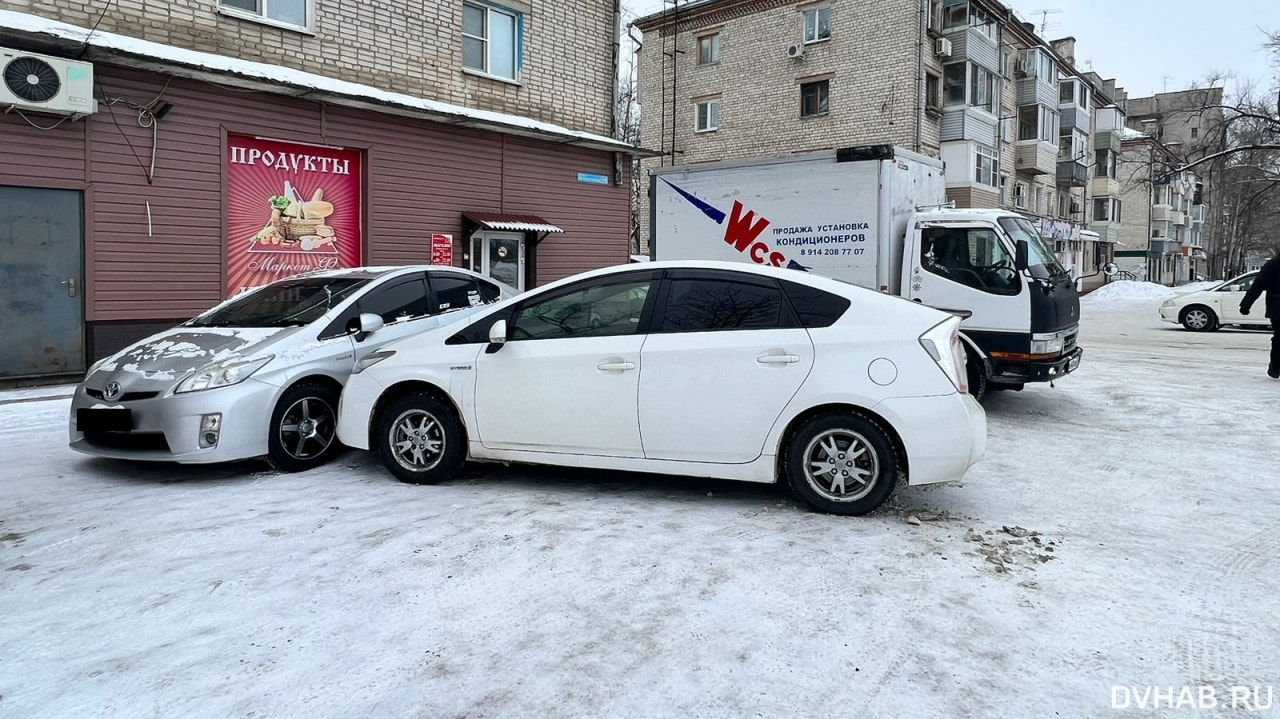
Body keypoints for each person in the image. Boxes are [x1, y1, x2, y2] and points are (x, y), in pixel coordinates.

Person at [1240, 253, 1280, 379]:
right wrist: (1246, 304)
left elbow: (1259, 283)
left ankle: (1275, 365)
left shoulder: (1274, 263)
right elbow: (1259, 284)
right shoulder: (1275, 263)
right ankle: (1275, 365)